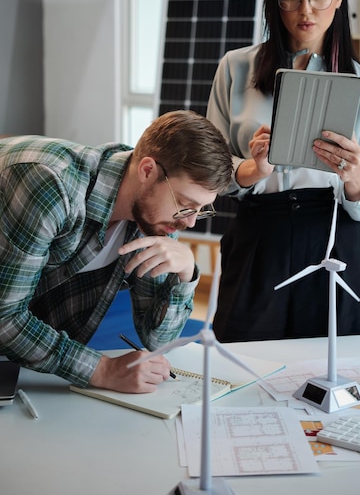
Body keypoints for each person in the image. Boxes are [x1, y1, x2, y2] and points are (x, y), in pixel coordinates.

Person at [206, 0, 360, 343]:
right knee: (244, 367)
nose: (305, 10)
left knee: (338, 370)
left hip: (334, 237)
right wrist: (253, 169)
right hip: (259, 235)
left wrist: (356, 177)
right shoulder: (235, 68)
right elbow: (212, 171)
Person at [0, 110, 232, 392]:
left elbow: (158, 341)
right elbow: (5, 318)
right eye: (186, 204)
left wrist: (185, 274)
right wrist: (104, 370)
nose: (190, 221)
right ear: (147, 170)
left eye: (200, 210)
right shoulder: (51, 185)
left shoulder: (157, 211)